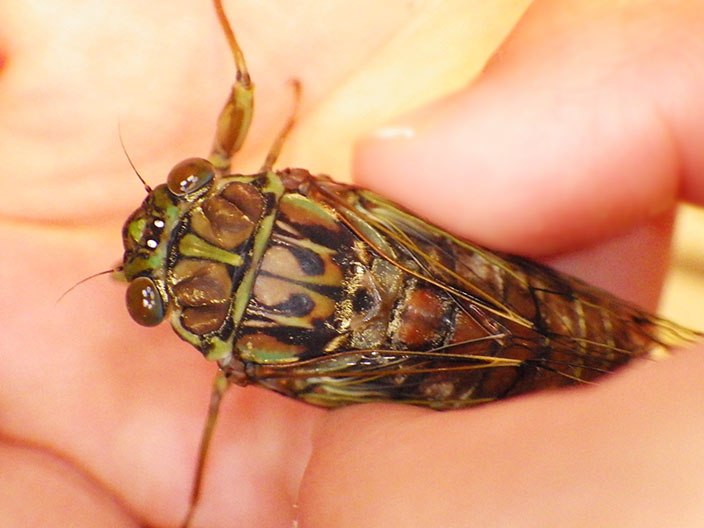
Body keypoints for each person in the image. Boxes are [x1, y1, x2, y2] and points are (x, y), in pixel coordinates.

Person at [2, 0, 703, 526]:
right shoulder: (286, 187)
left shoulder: (237, 355)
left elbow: (245, 84)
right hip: (508, 286)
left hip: (435, 366)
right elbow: (246, 82)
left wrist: (193, 507)